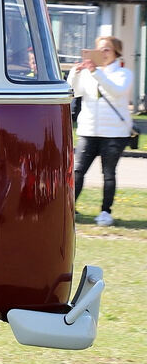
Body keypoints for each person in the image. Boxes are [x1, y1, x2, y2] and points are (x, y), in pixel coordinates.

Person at [70, 35, 133, 227]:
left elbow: (116, 91)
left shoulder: (124, 73)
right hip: (88, 130)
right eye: (100, 49)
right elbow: (74, 92)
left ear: (116, 53)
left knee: (108, 173)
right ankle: (69, 208)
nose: (103, 53)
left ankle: (105, 212)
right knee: (77, 171)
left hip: (114, 133)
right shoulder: (90, 72)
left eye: (107, 49)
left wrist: (96, 72)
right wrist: (75, 73)